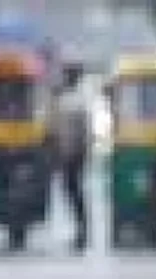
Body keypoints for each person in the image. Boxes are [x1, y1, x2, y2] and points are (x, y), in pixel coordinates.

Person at [53, 64, 91, 252]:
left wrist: (80, 154)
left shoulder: (76, 101)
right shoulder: (68, 99)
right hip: (67, 154)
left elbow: (83, 134)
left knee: (75, 194)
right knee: (72, 194)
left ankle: (82, 233)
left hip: (73, 156)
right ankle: (80, 232)